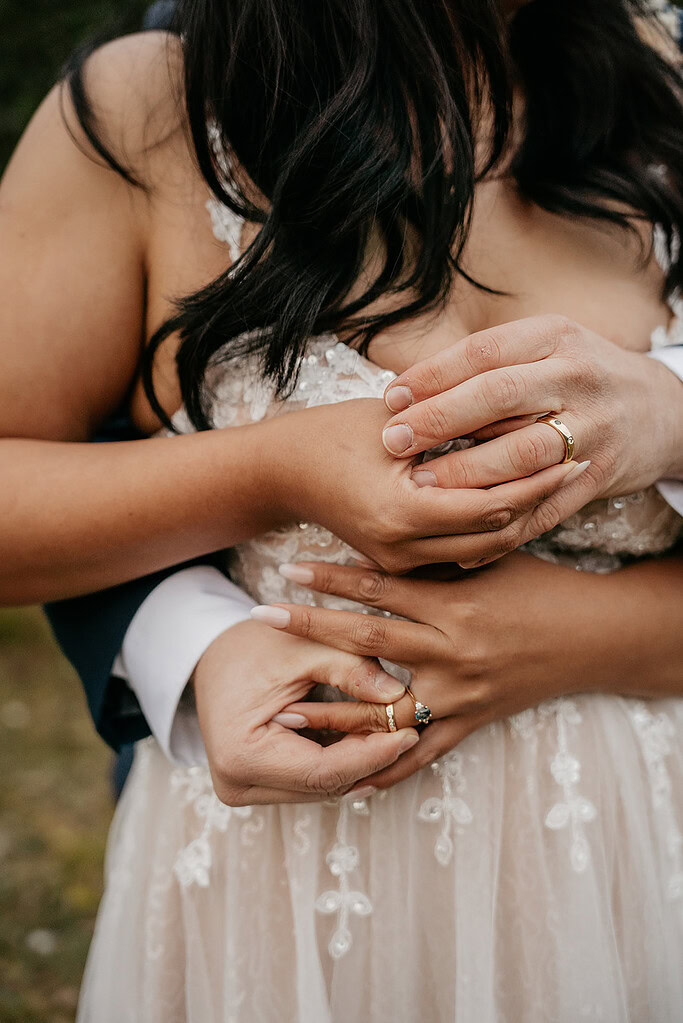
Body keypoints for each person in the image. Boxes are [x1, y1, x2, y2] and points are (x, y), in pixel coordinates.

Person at [0, 0, 681, 1019]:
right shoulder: (149, 111)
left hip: (638, 854)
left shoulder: (661, 71)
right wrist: (269, 474)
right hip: (290, 886)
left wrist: (669, 419)